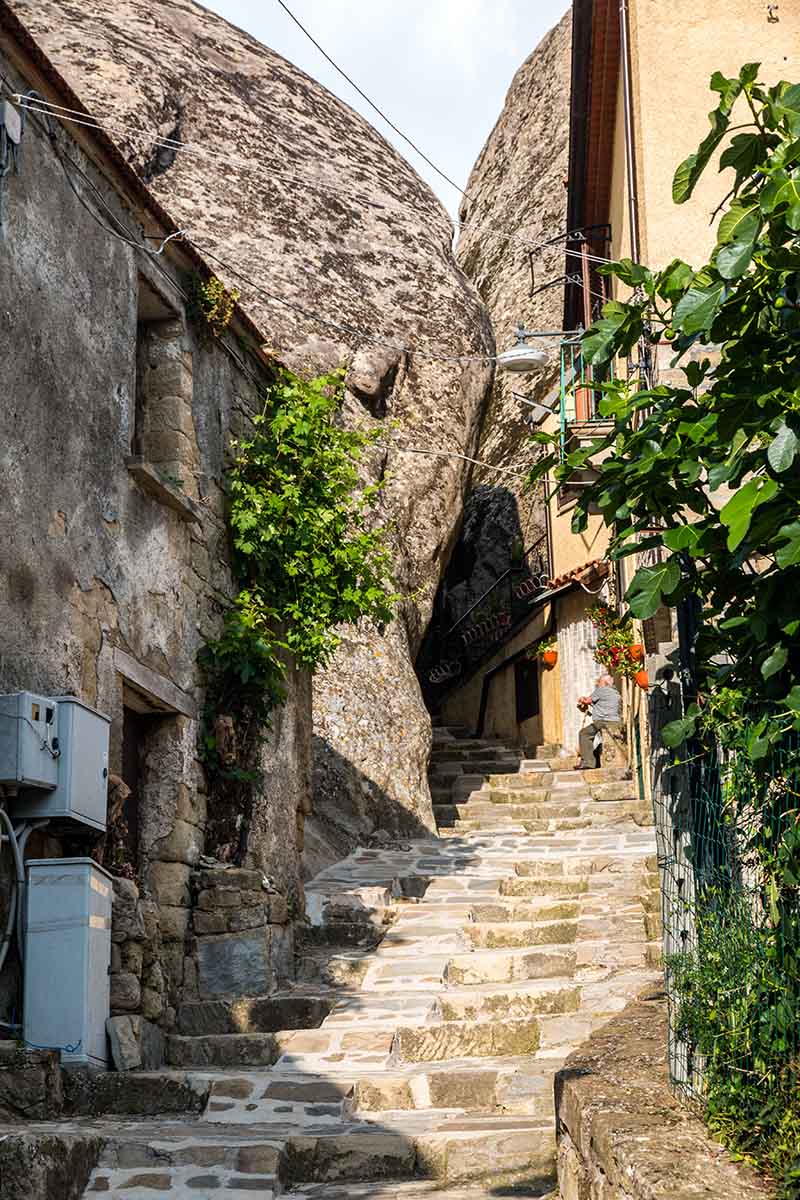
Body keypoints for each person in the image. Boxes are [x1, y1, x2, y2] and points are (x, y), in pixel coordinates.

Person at [577, 674, 622, 768]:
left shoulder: (601, 690)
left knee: (584, 734)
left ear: (604, 683)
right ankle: (595, 759)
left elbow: (587, 700)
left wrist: (581, 699)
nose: (598, 685)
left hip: (602, 722)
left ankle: (588, 762)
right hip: (615, 722)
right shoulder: (616, 692)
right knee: (598, 738)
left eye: (599, 682)